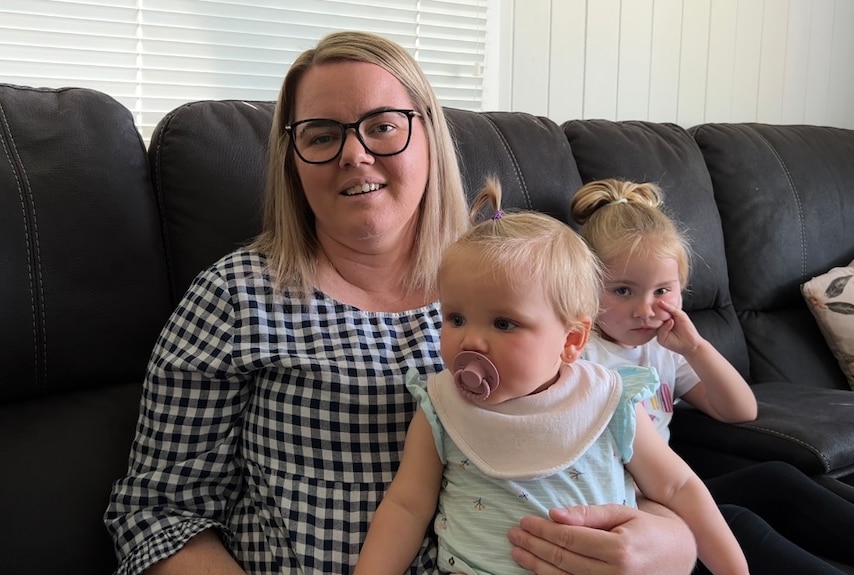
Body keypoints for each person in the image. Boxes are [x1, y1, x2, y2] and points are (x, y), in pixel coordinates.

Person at [104, 31, 697, 575]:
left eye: (382, 125)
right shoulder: (233, 298)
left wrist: (672, 544)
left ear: (429, 136)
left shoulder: (522, 281)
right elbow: (159, 514)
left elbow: (618, 446)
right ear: (292, 160)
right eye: (321, 135)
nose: (353, 154)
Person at [354, 178, 747, 575]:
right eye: (455, 318)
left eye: (504, 323)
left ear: (572, 340)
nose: (470, 339)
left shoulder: (610, 399)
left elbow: (678, 488)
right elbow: (406, 506)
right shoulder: (440, 406)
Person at [573, 177, 854, 575]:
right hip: (624, 503)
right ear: (584, 287)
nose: (645, 309)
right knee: (738, 523)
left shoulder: (664, 346)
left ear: (683, 289)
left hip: (670, 492)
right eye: (622, 291)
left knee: (778, 479)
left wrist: (696, 348)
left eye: (662, 291)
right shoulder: (580, 353)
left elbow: (740, 410)